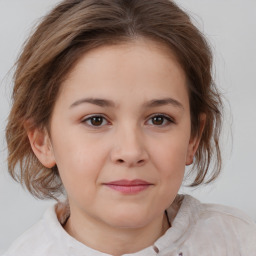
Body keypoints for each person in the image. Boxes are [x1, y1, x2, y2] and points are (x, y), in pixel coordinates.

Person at [2, 0, 256, 255]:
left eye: (159, 119)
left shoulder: (239, 243)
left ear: (193, 137)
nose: (131, 152)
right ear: (41, 141)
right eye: (96, 120)